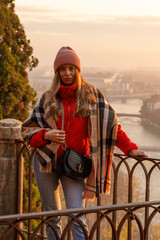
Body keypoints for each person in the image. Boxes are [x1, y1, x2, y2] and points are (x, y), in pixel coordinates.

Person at [21, 46, 147, 240]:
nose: (67, 73)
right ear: (57, 72)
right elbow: (26, 130)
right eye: (62, 69)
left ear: (78, 71)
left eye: (72, 68)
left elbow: (112, 127)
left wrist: (131, 149)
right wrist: (46, 135)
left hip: (74, 165)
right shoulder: (47, 98)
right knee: (52, 217)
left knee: (76, 215)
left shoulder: (91, 95)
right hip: (46, 163)